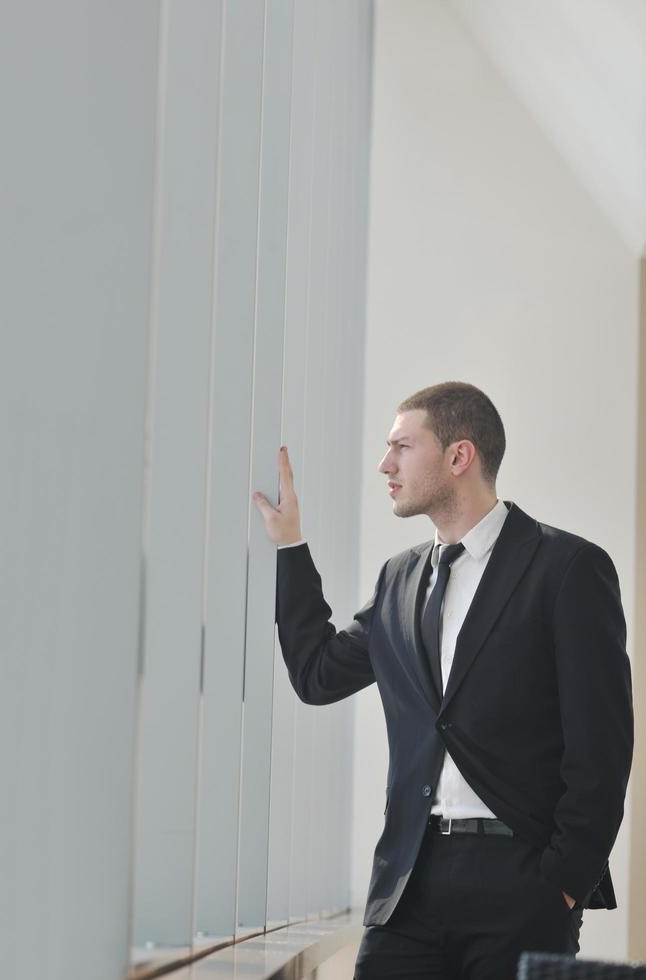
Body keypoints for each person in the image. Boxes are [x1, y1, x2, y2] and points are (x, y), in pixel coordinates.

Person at [252, 381, 633, 980]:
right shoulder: (399, 580)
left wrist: (564, 881)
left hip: (523, 881)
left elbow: (602, 744)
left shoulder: (568, 569)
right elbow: (317, 674)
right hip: (409, 884)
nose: (386, 464)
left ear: (459, 456)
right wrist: (290, 546)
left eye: (402, 447)